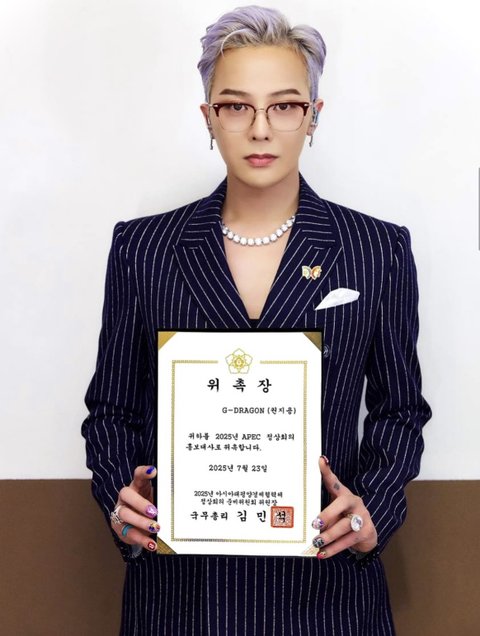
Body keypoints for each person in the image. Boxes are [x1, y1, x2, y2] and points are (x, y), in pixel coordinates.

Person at [82, 5, 431, 635]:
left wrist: (372, 510)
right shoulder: (145, 249)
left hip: (326, 592)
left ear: (313, 116)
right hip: (180, 598)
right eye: (236, 106)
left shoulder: (376, 250)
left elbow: (400, 409)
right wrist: (119, 498)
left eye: (285, 105)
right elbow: (111, 408)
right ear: (209, 118)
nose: (261, 129)